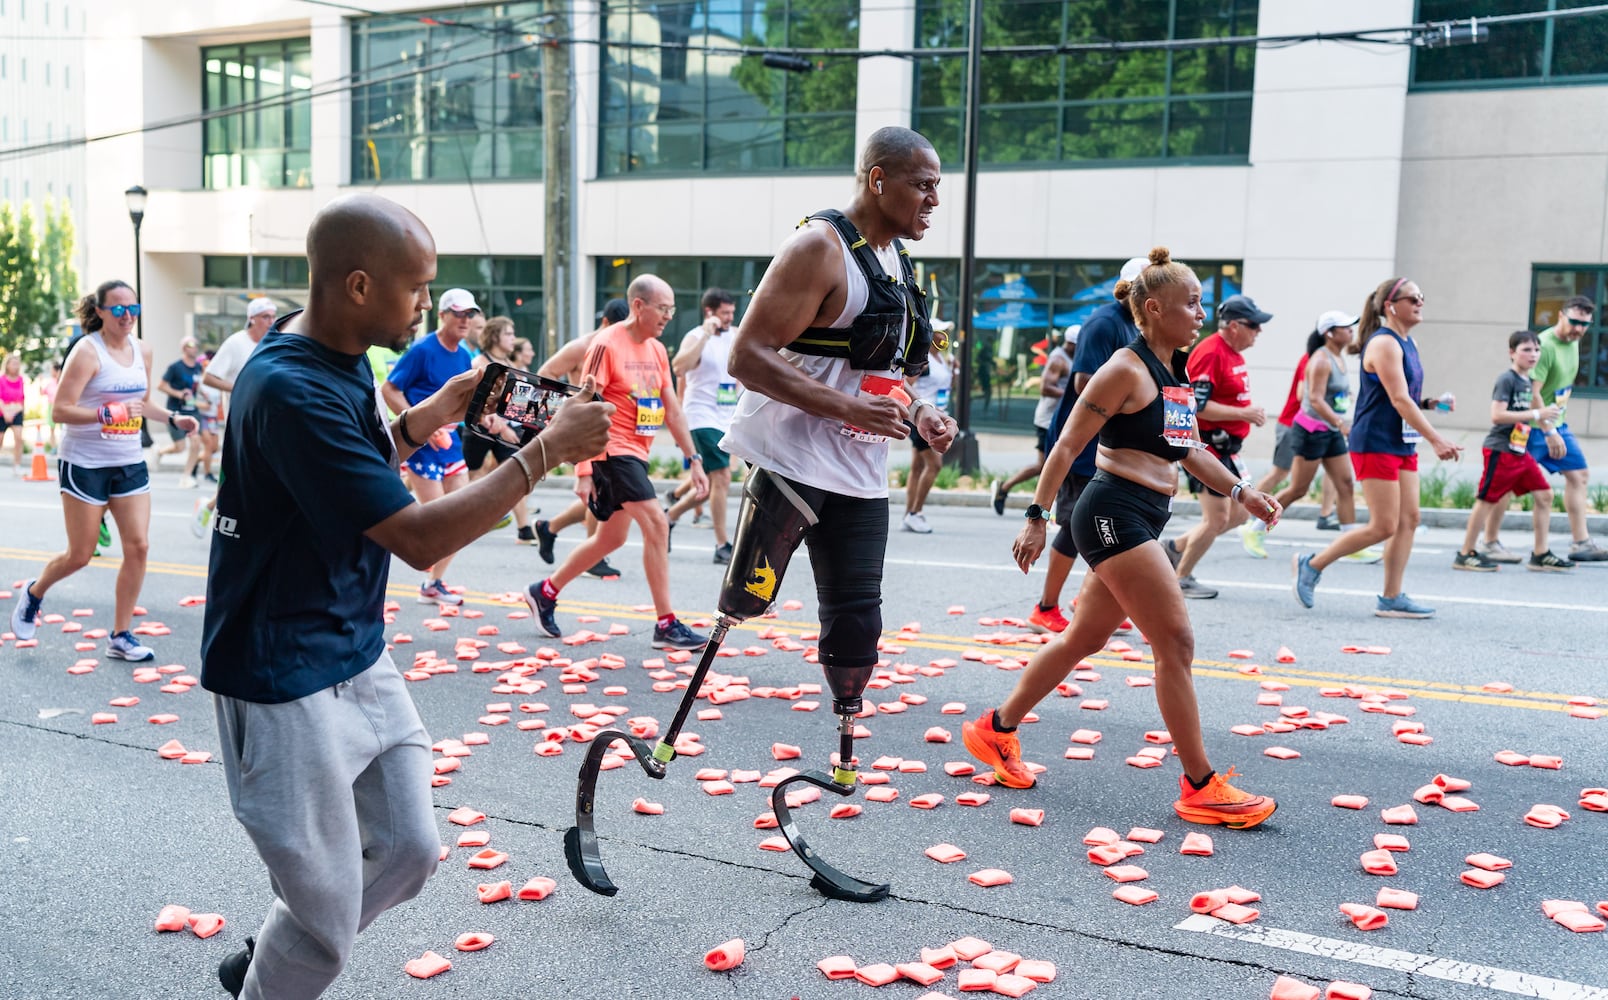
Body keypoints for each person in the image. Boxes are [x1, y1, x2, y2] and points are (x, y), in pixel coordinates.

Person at [199, 192, 612, 1000]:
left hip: (351, 645)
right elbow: (418, 539)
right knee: (321, 920)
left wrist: (432, 415)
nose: (427, 303)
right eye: (417, 287)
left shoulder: (333, 350)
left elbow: (348, 468)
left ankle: (280, 957)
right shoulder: (287, 387)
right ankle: (281, 967)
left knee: (411, 851)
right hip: (280, 672)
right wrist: (543, 453)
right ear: (358, 285)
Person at [962, 246, 1280, 829]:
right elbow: (1065, 444)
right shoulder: (1123, 369)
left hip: (1144, 513)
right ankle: (1200, 786)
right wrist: (1036, 515)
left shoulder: (1175, 369)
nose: (1200, 314)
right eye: (1191, 304)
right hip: (1112, 512)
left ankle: (995, 729)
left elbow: (1188, 450)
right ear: (1154, 308)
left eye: (1202, 303)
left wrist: (1241, 491)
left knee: (1083, 638)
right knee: (1176, 643)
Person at [721, 124, 958, 770]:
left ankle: (844, 761)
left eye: (939, 187)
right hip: (791, 462)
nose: (934, 201)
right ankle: (669, 742)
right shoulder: (817, 248)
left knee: (857, 626)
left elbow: (890, 375)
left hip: (859, 473)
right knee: (742, 602)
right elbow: (746, 356)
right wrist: (851, 407)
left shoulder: (898, 264)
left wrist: (924, 413)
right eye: (923, 186)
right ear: (878, 180)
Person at [9, 281, 199, 661]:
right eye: (118, 309)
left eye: (134, 309)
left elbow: (140, 405)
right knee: (80, 554)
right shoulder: (87, 352)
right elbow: (59, 410)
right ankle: (34, 593)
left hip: (128, 461)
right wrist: (103, 413)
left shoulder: (142, 349)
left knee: (139, 547)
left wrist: (175, 418)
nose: (127, 316)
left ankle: (121, 634)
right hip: (86, 463)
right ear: (100, 311)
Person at [525, 275, 712, 649]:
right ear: (638, 306)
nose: (668, 316)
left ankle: (544, 592)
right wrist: (584, 469)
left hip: (636, 453)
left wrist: (693, 459)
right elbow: (584, 403)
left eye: (671, 309)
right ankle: (665, 624)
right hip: (611, 448)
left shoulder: (658, 350)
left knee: (611, 538)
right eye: (663, 308)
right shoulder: (606, 344)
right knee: (657, 524)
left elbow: (671, 409)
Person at [1294, 277, 1462, 618]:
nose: (1420, 303)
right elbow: (1399, 399)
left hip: (1401, 441)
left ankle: (1391, 596)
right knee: (1384, 525)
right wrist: (1436, 438)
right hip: (1374, 441)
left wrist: (1431, 403)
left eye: (1422, 297)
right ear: (1391, 305)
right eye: (1413, 298)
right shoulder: (1384, 343)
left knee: (1409, 519)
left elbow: (1403, 396)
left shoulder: (1406, 343)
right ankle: (1313, 563)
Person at [1025, 257, 1147, 633]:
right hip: (1080, 442)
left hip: (1108, 444)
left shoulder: (1133, 325)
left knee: (1103, 524)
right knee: (1076, 527)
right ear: (1128, 291)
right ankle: (1045, 608)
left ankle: (1091, 598)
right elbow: (1082, 383)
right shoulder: (1104, 323)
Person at [1479, 295, 1605, 564]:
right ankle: (1488, 542)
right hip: (1534, 428)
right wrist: (1549, 432)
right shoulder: (1544, 346)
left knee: (1579, 475)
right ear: (1561, 315)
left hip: (1556, 423)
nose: (1578, 329)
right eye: (1573, 322)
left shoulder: (1572, 343)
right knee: (1507, 484)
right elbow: (1533, 392)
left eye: (1585, 324)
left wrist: (1555, 426)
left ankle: (1580, 542)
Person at [1163, 294, 1272, 598]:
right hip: (1208, 446)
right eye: (1254, 325)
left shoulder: (1233, 352)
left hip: (1229, 448)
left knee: (1239, 515)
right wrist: (1244, 414)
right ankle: (1180, 578)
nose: (1258, 332)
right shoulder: (1212, 351)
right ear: (1234, 326)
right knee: (1218, 519)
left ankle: (1173, 548)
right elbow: (1194, 405)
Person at [381, 287, 480, 604]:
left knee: (462, 517)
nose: (465, 320)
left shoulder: (464, 356)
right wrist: (420, 423)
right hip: (422, 446)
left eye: (470, 314)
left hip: (451, 445)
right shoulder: (423, 349)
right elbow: (390, 389)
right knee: (438, 522)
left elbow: (465, 402)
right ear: (443, 315)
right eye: (459, 314)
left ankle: (433, 583)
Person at [1454, 331, 1572, 572]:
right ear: (1512, 353)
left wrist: (1548, 430)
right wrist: (1537, 414)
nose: (1533, 354)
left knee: (1545, 495)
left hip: (1519, 450)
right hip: (1501, 449)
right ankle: (1465, 553)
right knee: (1487, 499)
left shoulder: (1527, 381)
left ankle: (1540, 554)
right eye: (1526, 350)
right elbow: (1497, 415)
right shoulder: (1507, 379)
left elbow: (1529, 413)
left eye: (1537, 350)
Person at [529, 298, 631, 578]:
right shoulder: (582, 346)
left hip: (610, 428)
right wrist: (571, 403)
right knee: (599, 489)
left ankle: (549, 528)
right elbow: (546, 372)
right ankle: (593, 554)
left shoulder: (621, 347)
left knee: (604, 492)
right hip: (582, 427)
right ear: (606, 323)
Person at [1264, 313, 1378, 563]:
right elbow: (1314, 399)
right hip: (1311, 430)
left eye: (1351, 328)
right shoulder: (1320, 360)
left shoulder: (1339, 357)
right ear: (1330, 332)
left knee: (1346, 484)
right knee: (1298, 489)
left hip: (1331, 430)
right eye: (1345, 328)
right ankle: (1255, 529)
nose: (1351, 332)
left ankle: (1351, 543)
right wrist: (1340, 422)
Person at [665, 288, 742, 562]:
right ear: (709, 312)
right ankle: (722, 545)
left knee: (711, 485)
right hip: (700, 416)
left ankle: (669, 517)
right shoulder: (697, 336)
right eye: (725, 313)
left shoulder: (735, 336)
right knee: (720, 477)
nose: (730, 318)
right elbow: (678, 367)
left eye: (732, 313)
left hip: (726, 416)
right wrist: (707, 333)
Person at [194, 296, 277, 537]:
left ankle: (220, 509)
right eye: (265, 317)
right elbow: (209, 377)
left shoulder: (273, 343)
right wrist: (240, 387)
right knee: (239, 471)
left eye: (273, 316)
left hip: (267, 419)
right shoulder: (235, 343)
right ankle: (214, 510)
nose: (270, 321)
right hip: (239, 418)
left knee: (256, 472)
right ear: (251, 319)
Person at [464, 315, 538, 544]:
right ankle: (461, 519)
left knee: (514, 473)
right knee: (471, 475)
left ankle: (524, 529)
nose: (512, 338)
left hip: (504, 429)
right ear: (495, 336)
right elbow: (480, 402)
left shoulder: (511, 365)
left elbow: (518, 402)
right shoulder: (480, 363)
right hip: (480, 427)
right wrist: (503, 425)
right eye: (508, 333)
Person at [992, 326, 1075, 515]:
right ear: (1070, 343)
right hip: (1047, 420)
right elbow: (1046, 388)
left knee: (1056, 464)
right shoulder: (1058, 358)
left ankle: (1053, 508)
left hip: (1058, 419)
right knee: (1046, 465)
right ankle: (1006, 488)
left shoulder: (1070, 356)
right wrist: (1072, 395)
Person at [902, 330, 954, 533]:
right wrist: (918, 406)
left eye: (947, 333)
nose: (944, 337)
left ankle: (908, 515)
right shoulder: (923, 358)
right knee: (935, 465)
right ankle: (916, 513)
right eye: (940, 333)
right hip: (922, 418)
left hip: (935, 415)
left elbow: (946, 388)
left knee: (917, 467)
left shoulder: (940, 358)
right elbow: (906, 382)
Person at [154, 337, 206, 486]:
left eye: (196, 345)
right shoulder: (175, 367)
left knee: (196, 443)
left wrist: (204, 395)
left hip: (193, 410)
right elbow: (161, 386)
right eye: (190, 345)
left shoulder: (198, 367)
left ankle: (186, 476)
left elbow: (199, 385)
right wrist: (179, 394)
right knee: (180, 447)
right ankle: (159, 452)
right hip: (176, 411)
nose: (194, 347)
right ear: (183, 348)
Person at [0, 352, 25, 473]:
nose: (16, 366)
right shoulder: (2, 380)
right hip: (3, 412)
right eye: (13, 363)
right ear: (7, 365)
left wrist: (16, 411)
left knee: (19, 438)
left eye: (17, 364)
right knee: (0, 438)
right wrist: (5, 412)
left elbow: (22, 398)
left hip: (16, 411)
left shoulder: (20, 380)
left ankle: (17, 465)